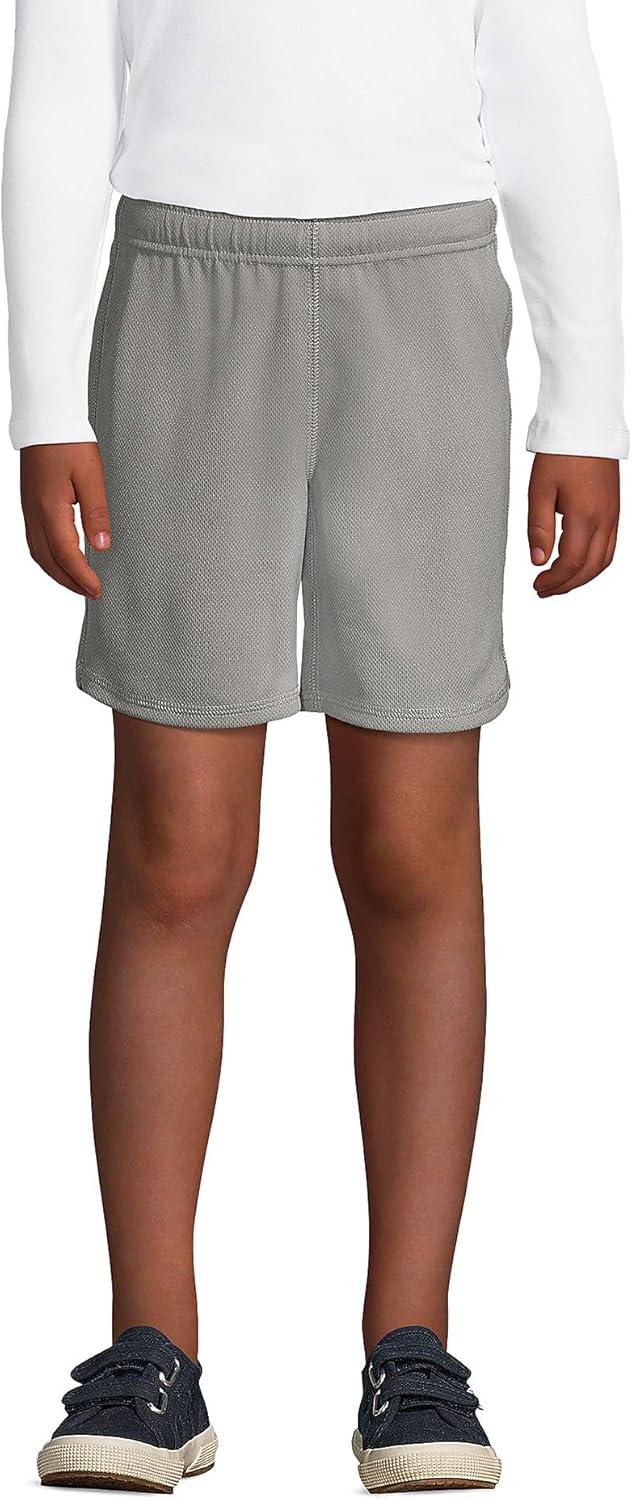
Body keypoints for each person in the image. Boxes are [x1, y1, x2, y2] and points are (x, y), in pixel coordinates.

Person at [3, 0, 627, 1493]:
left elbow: (546, 88)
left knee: (413, 838)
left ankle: (413, 1350)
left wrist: (588, 402)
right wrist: (43, 401)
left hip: (423, 296)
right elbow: (60, 83)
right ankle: (150, 1347)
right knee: (176, 842)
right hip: (180, 296)